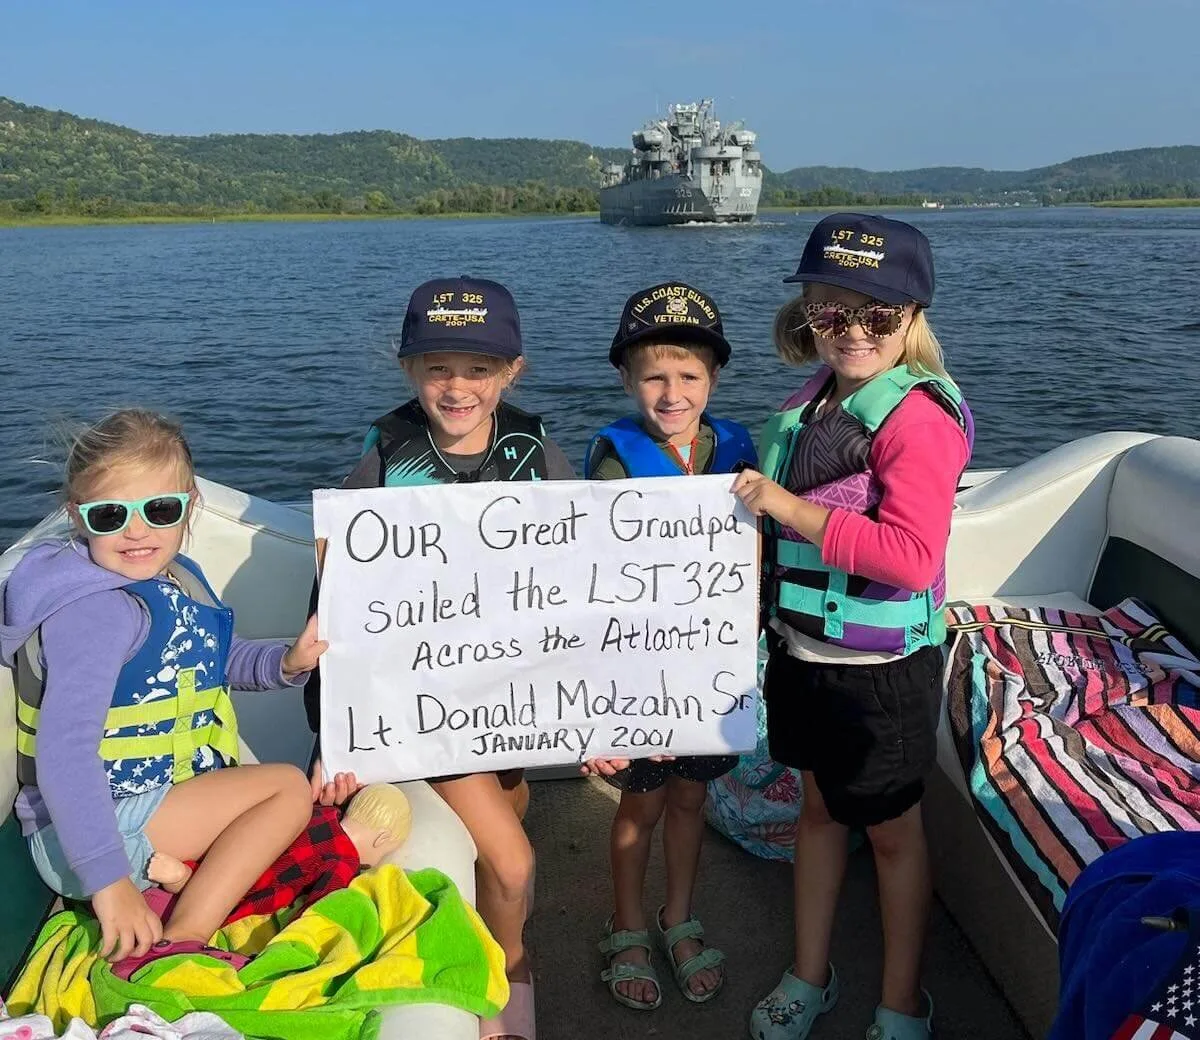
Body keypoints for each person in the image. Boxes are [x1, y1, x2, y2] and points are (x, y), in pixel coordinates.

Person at [302, 276, 576, 1040]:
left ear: (512, 371)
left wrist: (598, 713)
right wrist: (336, 736)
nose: (457, 387)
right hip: (423, 707)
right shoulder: (386, 454)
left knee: (508, 840)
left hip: (509, 701)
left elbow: (582, 589)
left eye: (478, 369)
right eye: (437, 368)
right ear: (408, 369)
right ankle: (506, 981)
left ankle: (499, 947)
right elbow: (335, 600)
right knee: (516, 862)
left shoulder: (537, 453)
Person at [733, 214, 974, 1040]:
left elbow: (910, 557)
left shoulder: (918, 421)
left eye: (878, 313)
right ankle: (811, 974)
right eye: (832, 312)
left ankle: (903, 999)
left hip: (882, 676)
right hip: (801, 653)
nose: (855, 331)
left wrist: (786, 508)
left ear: (912, 314)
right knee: (817, 813)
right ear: (808, 315)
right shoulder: (810, 405)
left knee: (895, 835)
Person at [0, 409, 323, 975]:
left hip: (148, 809)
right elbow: (64, 754)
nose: (137, 531)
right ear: (78, 516)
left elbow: (213, 662)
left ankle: (173, 889)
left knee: (294, 805)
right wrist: (110, 884)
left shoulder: (170, 579)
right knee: (287, 788)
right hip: (94, 836)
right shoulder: (96, 612)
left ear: (189, 505)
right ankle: (181, 943)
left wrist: (289, 661)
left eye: (160, 509)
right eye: (109, 514)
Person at [581, 282, 757, 1012]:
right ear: (626, 379)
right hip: (636, 668)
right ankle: (626, 922)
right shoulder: (613, 456)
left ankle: (677, 916)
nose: (672, 391)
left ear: (713, 378)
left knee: (692, 796)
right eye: (654, 376)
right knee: (641, 804)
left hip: (713, 668)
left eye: (689, 376)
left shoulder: (740, 447)